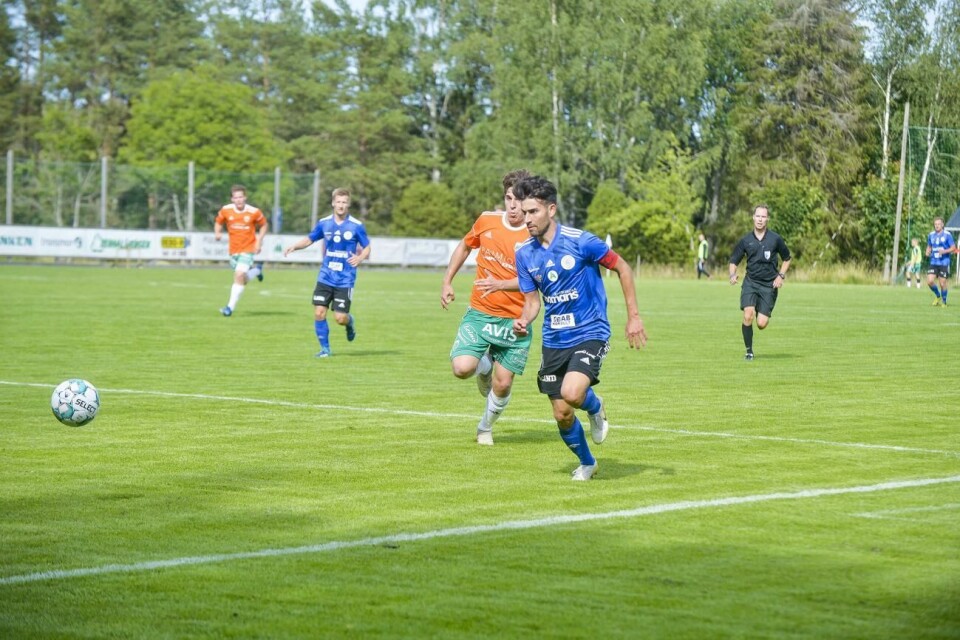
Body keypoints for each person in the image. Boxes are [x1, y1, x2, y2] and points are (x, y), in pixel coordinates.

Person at [512, 176, 647, 481]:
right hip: (553, 339)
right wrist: (523, 320)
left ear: (551, 209)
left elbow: (623, 267)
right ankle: (588, 463)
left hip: (590, 331)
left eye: (533, 211)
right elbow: (532, 302)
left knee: (572, 393)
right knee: (562, 413)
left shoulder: (581, 241)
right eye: (524, 212)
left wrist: (634, 317)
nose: (526, 218)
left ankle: (595, 408)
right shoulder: (524, 254)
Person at [441, 170, 533, 446]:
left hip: (515, 320)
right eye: (508, 198)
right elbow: (465, 246)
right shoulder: (487, 220)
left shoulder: (535, 234)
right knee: (461, 369)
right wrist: (447, 281)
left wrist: (501, 284)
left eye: (519, 199)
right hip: (480, 313)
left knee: (502, 384)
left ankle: (484, 428)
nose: (513, 205)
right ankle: (484, 366)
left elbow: (536, 280)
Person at [283, 188, 371, 357]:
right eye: (338, 202)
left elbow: (367, 247)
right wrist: (295, 246)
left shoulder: (356, 226)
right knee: (319, 313)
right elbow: (310, 239)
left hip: (345, 279)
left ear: (348, 204)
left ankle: (350, 322)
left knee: (340, 318)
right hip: (326, 276)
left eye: (344, 202)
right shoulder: (324, 223)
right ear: (333, 203)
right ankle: (325, 349)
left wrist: (360, 258)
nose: (341, 205)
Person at [728, 205, 791, 361]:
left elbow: (787, 259)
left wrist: (781, 276)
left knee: (761, 324)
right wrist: (732, 274)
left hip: (769, 285)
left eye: (763, 217)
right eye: (758, 216)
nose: (760, 219)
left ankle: (758, 307)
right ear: (753, 217)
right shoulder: (746, 240)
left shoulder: (775, 239)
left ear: (767, 219)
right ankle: (749, 351)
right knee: (747, 315)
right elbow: (734, 261)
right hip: (751, 282)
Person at [214, 185, 268, 317]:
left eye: (241, 197)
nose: (238, 200)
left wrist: (259, 241)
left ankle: (229, 308)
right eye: (236, 197)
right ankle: (256, 271)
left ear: (245, 197)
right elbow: (218, 222)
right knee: (241, 279)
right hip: (233, 250)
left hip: (248, 248)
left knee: (238, 275)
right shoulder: (226, 210)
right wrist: (217, 232)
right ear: (232, 199)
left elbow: (264, 225)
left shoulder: (253, 211)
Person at [925, 217, 958, 306]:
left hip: (944, 262)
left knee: (942, 283)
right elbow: (929, 246)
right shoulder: (931, 235)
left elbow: (953, 248)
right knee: (929, 281)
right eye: (935, 224)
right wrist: (927, 251)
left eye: (939, 224)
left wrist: (944, 251)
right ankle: (938, 296)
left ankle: (944, 301)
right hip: (933, 262)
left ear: (942, 225)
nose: (937, 226)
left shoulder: (947, 235)